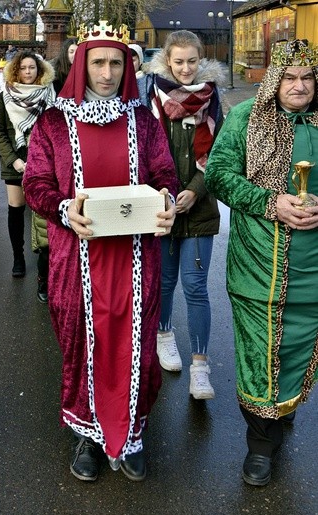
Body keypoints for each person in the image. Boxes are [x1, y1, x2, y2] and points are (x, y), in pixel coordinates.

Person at [23, 21, 178, 482]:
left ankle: (132, 433)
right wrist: (65, 208)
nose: (107, 73)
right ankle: (88, 436)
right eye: (98, 63)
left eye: (115, 63)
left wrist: (167, 201)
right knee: (80, 344)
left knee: (138, 348)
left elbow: (165, 172)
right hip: (77, 257)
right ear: (80, 64)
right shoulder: (53, 122)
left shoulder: (145, 121)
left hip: (136, 258)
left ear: (126, 66)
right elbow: (36, 184)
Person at [204, 38, 318, 486]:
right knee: (258, 354)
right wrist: (273, 203)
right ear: (275, 80)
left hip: (312, 270)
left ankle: (283, 410)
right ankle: (260, 445)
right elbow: (218, 174)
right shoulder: (245, 117)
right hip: (259, 267)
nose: (299, 86)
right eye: (290, 78)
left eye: (308, 77)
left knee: (296, 348)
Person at [137, 30, 224, 399]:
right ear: (167, 61)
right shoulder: (149, 97)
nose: (186, 69)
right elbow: (143, 150)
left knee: (197, 287)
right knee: (165, 282)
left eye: (192, 61)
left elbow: (219, 152)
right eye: (179, 61)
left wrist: (195, 190)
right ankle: (165, 335)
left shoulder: (213, 97)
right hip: (161, 206)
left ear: (200, 60)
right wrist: (165, 193)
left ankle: (200, 367)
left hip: (199, 207)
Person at [0, 51, 55, 278]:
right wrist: (15, 161)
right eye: (23, 68)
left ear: (39, 70)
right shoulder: (5, 95)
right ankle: (18, 257)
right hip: (15, 163)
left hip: (44, 162)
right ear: (16, 70)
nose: (28, 72)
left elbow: (55, 130)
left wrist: (43, 160)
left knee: (43, 213)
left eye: (32, 68)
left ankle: (44, 262)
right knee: (16, 211)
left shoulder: (49, 95)